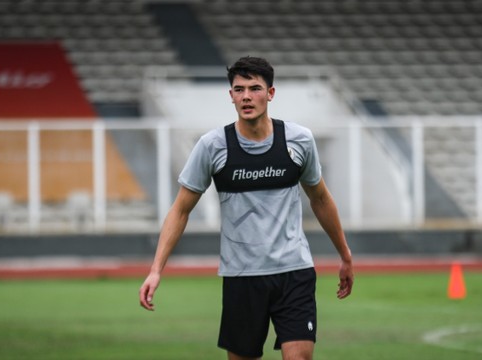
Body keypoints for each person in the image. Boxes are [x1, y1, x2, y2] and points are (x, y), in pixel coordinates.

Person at [139, 56, 354, 360]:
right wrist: (155, 270)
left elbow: (320, 198)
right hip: (242, 276)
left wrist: (344, 255)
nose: (247, 96)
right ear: (231, 96)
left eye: (255, 88)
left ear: (270, 93)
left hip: (293, 271)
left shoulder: (299, 140)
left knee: (300, 357)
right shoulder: (212, 146)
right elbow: (180, 210)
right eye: (239, 89)